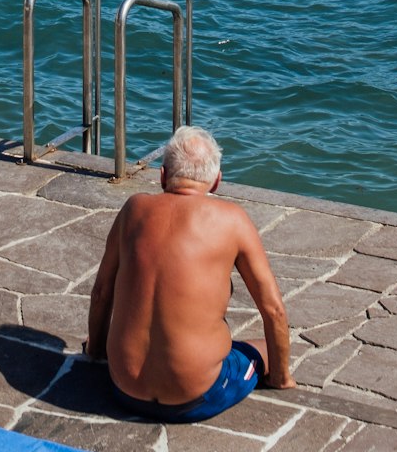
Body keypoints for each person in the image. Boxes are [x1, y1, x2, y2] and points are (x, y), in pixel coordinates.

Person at [85, 125, 294, 422]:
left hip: (124, 388)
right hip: (196, 397)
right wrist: (282, 380)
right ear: (217, 182)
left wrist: (94, 352)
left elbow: (101, 292)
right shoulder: (232, 220)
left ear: (162, 175)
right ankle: (274, 375)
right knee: (264, 352)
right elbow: (274, 311)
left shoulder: (133, 209)